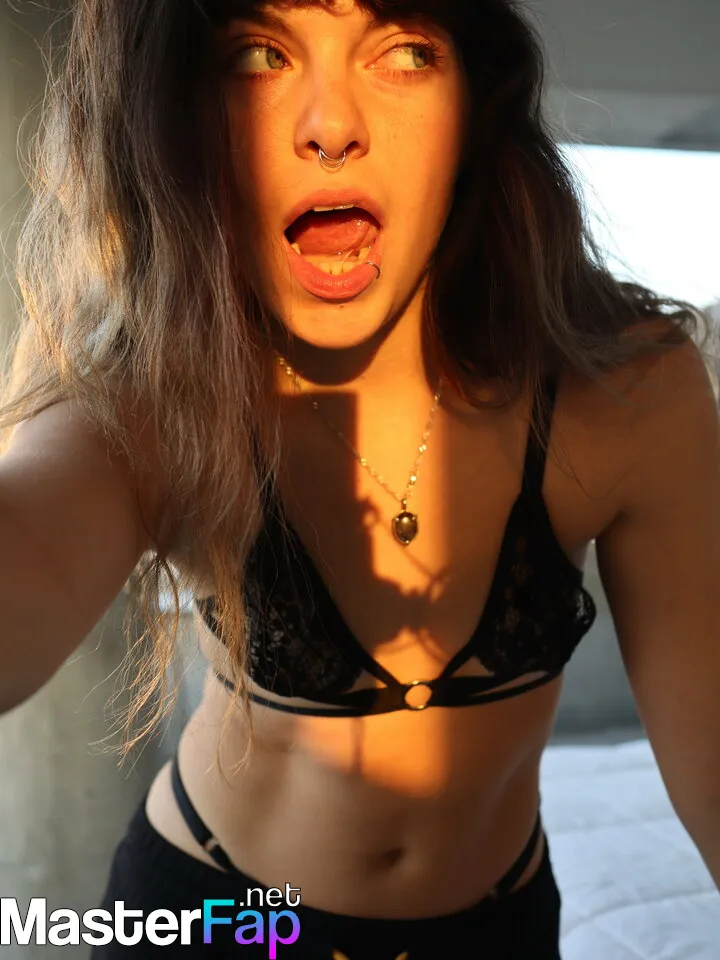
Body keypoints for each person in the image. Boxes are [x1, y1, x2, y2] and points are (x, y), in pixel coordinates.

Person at [1, 0, 719, 956]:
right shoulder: (157, 398)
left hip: (499, 928)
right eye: (259, 54)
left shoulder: (627, 388)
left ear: (474, 105)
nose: (332, 124)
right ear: (177, 115)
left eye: (404, 51)